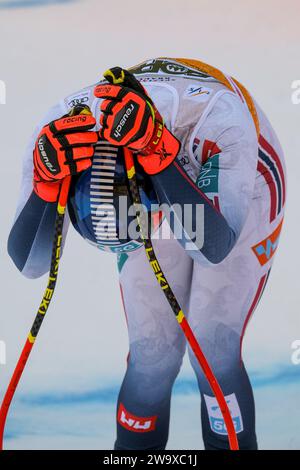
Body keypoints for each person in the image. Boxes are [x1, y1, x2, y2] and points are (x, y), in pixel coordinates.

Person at [7, 57, 286, 450]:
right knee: (152, 354)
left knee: (213, 348)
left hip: (227, 153)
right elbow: (31, 264)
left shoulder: (221, 121)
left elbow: (213, 250)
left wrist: (163, 157)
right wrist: (44, 189)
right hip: (153, 167)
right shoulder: (57, 131)